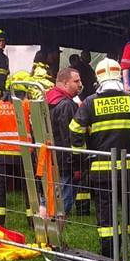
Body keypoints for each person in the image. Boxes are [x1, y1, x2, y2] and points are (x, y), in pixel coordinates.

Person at [69, 58, 130, 259]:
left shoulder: (90, 102)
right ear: (118, 75)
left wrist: (81, 155)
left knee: (106, 212)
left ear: (98, 78)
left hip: (101, 169)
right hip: (129, 167)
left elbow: (75, 131)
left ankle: (109, 252)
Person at [0, 73, 33, 226]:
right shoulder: (27, 105)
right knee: (29, 188)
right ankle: (33, 221)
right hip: (23, 153)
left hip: (1, 153)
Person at [45, 67, 83, 215]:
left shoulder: (48, 100)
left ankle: (43, 233)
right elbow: (69, 137)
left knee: (47, 200)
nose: (80, 84)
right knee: (62, 205)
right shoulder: (67, 105)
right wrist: (76, 165)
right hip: (65, 163)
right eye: (76, 81)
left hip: (50, 159)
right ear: (65, 83)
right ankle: (55, 237)